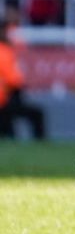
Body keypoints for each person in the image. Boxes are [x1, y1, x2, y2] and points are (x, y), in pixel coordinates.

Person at [0, 8, 46, 141]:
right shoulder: (4, 51)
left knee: (8, 131)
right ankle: (41, 147)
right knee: (36, 115)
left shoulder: (6, 49)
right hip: (5, 100)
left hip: (5, 100)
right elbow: (13, 80)